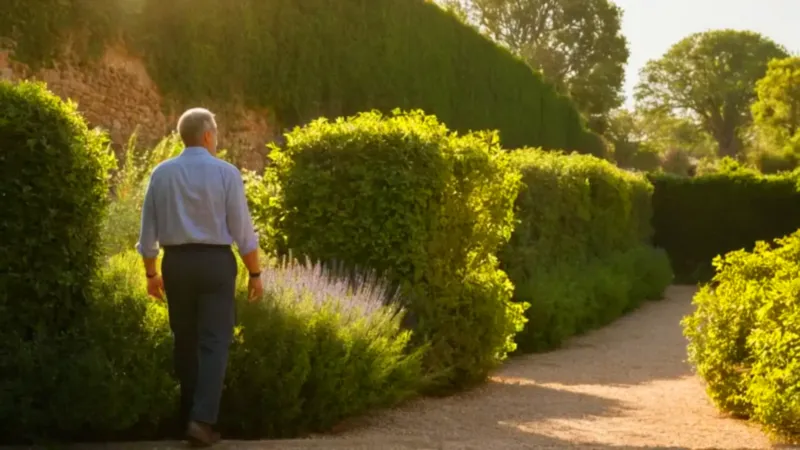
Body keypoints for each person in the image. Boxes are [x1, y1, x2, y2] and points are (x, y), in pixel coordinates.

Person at [136, 107, 263, 447]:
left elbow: (147, 235)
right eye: (216, 131)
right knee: (215, 343)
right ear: (207, 135)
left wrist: (151, 274)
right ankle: (202, 420)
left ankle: (187, 419)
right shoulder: (226, 173)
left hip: (175, 265)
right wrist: (255, 272)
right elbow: (243, 233)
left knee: (185, 341)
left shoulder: (161, 174)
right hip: (215, 265)